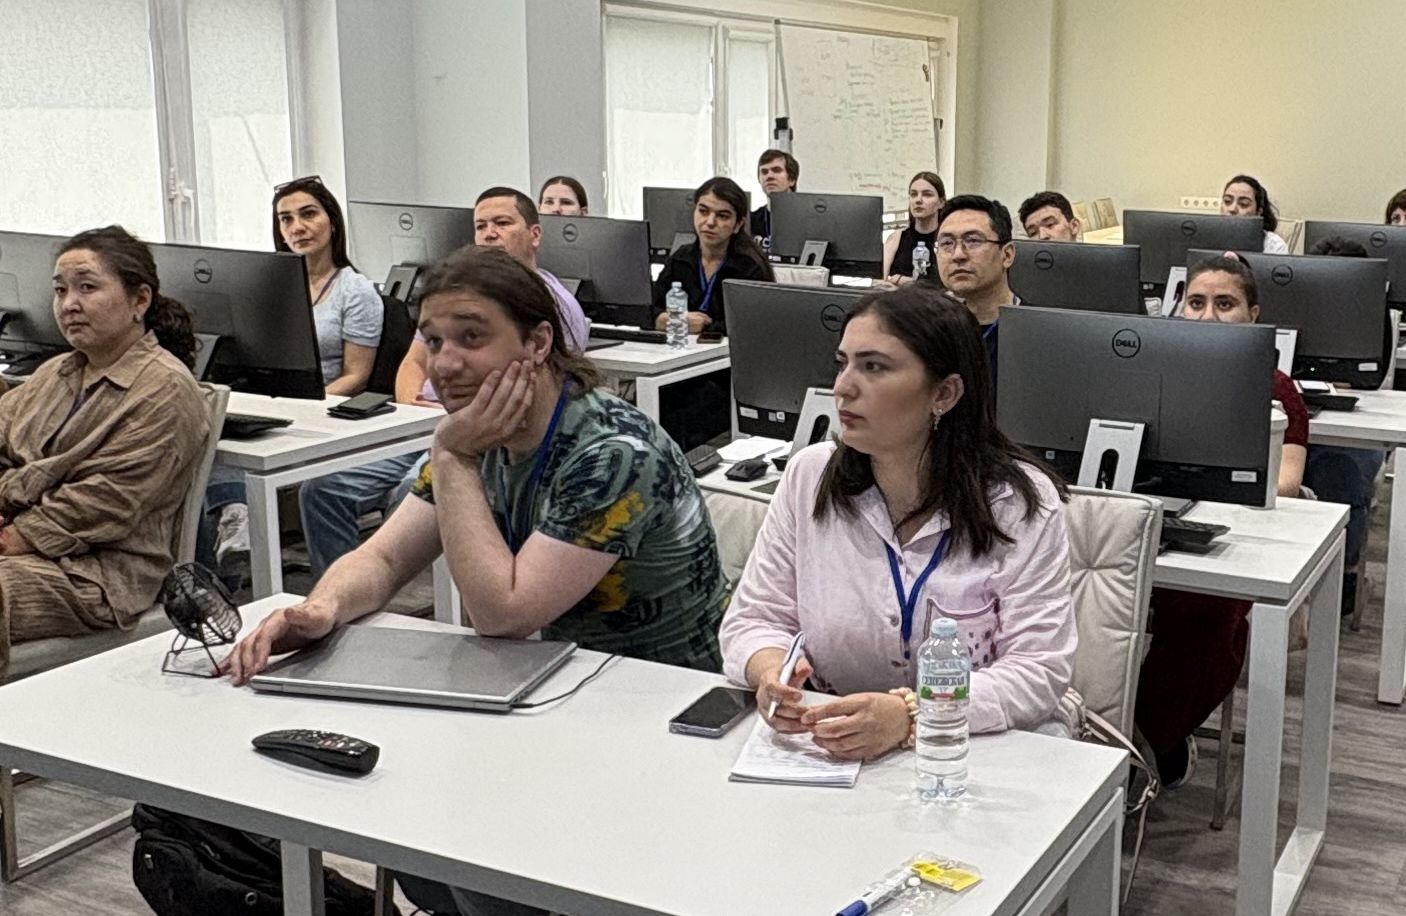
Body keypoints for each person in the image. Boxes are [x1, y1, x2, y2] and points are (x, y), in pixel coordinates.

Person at [223, 245, 730, 916]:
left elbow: (504, 612)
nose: (444, 362)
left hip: (660, 714)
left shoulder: (610, 451)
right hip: (547, 694)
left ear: (538, 342)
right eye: (433, 340)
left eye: (471, 337)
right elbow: (383, 560)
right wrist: (321, 608)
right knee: (422, 850)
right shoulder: (482, 434)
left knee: (474, 872)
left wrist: (453, 456)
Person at [719, 285, 1077, 759]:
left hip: (984, 747)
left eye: (873, 367)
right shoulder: (809, 476)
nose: (843, 387)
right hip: (835, 748)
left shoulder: (1017, 503)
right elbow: (755, 619)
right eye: (843, 363)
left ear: (944, 393)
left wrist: (913, 715)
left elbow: (1039, 670)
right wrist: (771, 672)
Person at [297, 186, 592, 581]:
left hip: (481, 431)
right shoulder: (456, 300)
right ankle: (344, 587)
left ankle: (433, 599)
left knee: (413, 491)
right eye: (481, 226)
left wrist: (456, 431)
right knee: (322, 489)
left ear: (534, 234)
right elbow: (413, 362)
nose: (490, 233)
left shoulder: (552, 306)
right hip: (423, 422)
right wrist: (412, 408)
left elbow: (539, 389)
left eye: (502, 223)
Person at [0, 226, 209, 682]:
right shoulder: (57, 372)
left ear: (139, 300)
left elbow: (104, 503)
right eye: (60, 290)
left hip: (96, 572)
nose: (68, 304)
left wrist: (11, 535)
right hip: (26, 541)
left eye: (87, 288)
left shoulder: (165, 390)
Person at [1137, 253, 1309, 788]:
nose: (1207, 315)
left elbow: (1286, 481)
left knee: (1206, 617)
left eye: (1224, 304)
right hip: (1151, 524)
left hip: (1229, 538)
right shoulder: (1149, 375)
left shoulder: (1276, 388)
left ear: (1253, 315)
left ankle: (1148, 741)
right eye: (1195, 303)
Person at [205, 177, 385, 575]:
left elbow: (357, 376)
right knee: (201, 440)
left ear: (331, 221)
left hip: (319, 411)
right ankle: (227, 552)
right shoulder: (265, 290)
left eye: (308, 215)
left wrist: (307, 404)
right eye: (286, 219)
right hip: (266, 403)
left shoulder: (355, 291)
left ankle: (236, 530)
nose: (297, 227)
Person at [1300, 236, 1390, 614]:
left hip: (1352, 425)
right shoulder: (1289, 304)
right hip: (1298, 418)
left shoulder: (1372, 313)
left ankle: (1343, 575)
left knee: (1338, 471)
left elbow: (1370, 380)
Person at [652, 176, 774, 336]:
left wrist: (702, 327)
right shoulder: (681, 258)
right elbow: (650, 309)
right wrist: (671, 321)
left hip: (730, 349)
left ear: (738, 225)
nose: (710, 222)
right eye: (703, 211)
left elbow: (755, 325)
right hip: (681, 347)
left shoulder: (750, 267)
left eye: (722, 216)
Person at [932, 195, 1018, 384]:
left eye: (972, 241)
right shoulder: (929, 330)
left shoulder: (1036, 331)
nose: (958, 255)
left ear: (1007, 255)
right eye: (947, 243)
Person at [882, 171, 946, 284]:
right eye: (913, 194)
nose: (918, 200)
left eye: (927, 194)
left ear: (941, 202)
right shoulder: (896, 238)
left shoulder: (947, 241)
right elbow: (883, 282)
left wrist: (902, 280)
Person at [1221, 174, 1289, 253]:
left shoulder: (1274, 245)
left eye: (1243, 204)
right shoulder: (1209, 236)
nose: (1232, 209)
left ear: (1258, 212)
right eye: (1227, 201)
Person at [749, 148, 799, 248]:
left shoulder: (808, 220)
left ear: (792, 179)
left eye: (776, 170)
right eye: (764, 172)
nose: (769, 176)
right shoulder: (751, 221)